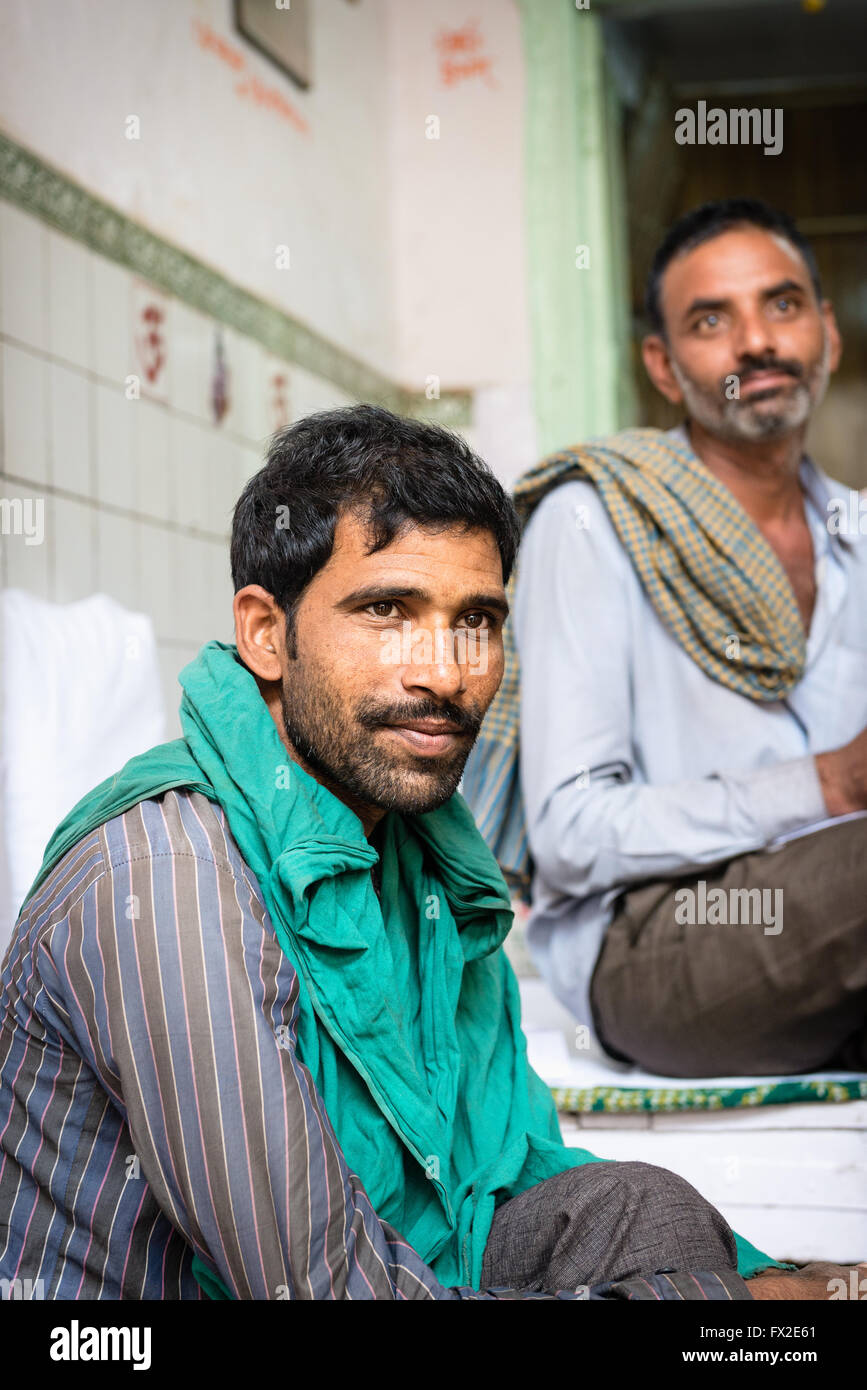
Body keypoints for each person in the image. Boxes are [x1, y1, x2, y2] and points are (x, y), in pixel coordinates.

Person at [0, 405, 851, 1302]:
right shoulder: (166, 884)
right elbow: (326, 1292)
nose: (443, 672)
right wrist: (730, 1306)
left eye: (474, 621)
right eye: (385, 610)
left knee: (640, 1210)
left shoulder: (422, 853)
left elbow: (509, 1171)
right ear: (264, 634)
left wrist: (773, 1282)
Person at [463, 198, 867, 1080]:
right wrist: (828, 783)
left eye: (783, 304)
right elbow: (570, 830)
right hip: (655, 940)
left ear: (827, 333)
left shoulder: (859, 536)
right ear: (662, 361)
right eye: (710, 320)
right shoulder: (594, 522)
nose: (755, 341)